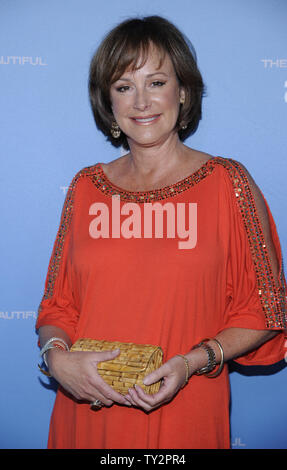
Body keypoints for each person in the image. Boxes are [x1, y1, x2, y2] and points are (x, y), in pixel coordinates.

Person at [36, 15, 286, 449]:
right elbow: (58, 307)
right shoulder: (84, 188)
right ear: (108, 103)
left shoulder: (229, 183)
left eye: (156, 82)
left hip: (185, 409)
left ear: (183, 92)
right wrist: (56, 359)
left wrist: (192, 363)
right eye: (123, 86)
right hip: (87, 412)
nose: (141, 102)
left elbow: (266, 309)